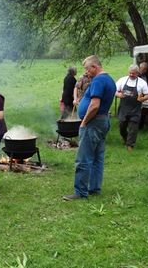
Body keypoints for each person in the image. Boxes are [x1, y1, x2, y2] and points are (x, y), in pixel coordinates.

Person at [63, 55, 116, 201]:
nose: (86, 72)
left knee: (83, 158)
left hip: (93, 123)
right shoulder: (110, 79)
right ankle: (94, 188)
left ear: (95, 67)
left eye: (87, 68)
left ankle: (80, 192)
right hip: (103, 121)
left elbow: (94, 105)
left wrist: (84, 122)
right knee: (98, 157)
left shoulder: (98, 80)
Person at [116, 64, 148, 151]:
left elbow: (147, 95)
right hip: (123, 108)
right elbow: (114, 90)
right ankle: (125, 138)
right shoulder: (122, 80)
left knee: (133, 128)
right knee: (122, 126)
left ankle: (130, 145)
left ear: (137, 73)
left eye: (133, 73)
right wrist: (118, 94)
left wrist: (142, 99)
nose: (131, 75)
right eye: (130, 73)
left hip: (135, 109)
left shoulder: (142, 83)